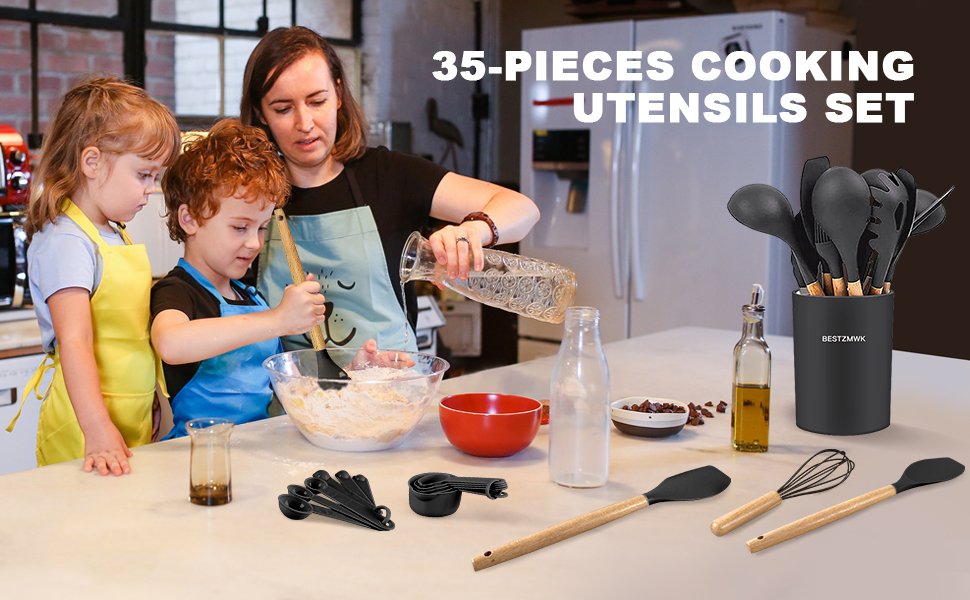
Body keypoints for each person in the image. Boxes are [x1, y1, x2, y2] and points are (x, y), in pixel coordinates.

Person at [240, 26, 541, 352]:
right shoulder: (247, 195)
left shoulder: (389, 175)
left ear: (338, 94)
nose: (305, 123)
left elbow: (523, 208)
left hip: (391, 381)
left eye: (317, 101)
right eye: (283, 109)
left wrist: (474, 230)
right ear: (261, 113)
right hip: (287, 384)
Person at [13, 76, 180, 475]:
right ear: (92, 162)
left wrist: (151, 397)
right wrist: (97, 426)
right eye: (144, 175)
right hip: (84, 426)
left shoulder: (114, 232)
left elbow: (132, 335)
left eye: (155, 177)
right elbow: (75, 340)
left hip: (129, 415)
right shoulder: (66, 240)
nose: (150, 190)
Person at [149, 118, 328, 439]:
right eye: (240, 227)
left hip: (254, 446)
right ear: (189, 219)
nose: (255, 243)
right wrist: (277, 320)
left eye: (262, 228)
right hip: (197, 453)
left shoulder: (249, 296)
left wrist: (351, 371)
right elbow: (171, 343)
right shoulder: (177, 290)